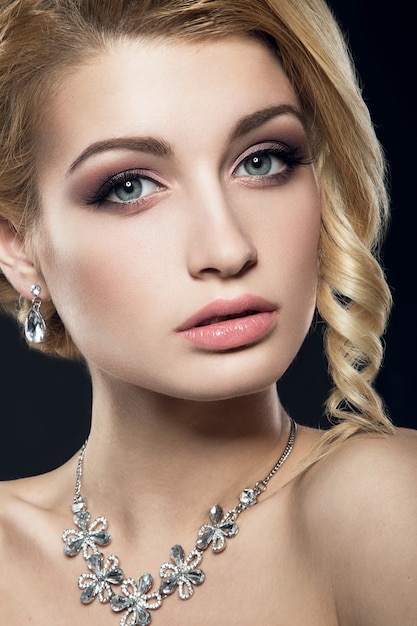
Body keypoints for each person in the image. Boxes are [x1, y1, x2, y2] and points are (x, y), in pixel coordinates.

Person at [0, 0, 415, 623]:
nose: (228, 248)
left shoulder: (383, 504)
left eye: (263, 160)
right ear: (21, 248)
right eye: (130, 186)